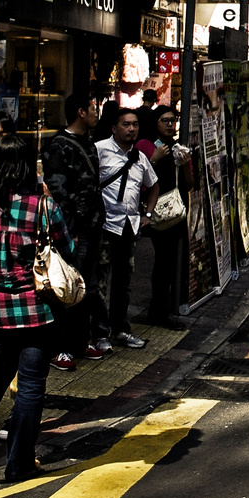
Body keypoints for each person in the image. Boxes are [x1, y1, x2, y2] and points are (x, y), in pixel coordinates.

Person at [0, 134, 73, 480]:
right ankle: (19, 462)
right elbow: (68, 248)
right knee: (32, 384)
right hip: (37, 309)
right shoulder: (42, 206)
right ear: (27, 165)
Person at [43, 92, 103, 371]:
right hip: (73, 230)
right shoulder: (58, 146)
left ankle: (81, 341)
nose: (96, 112)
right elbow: (58, 192)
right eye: (93, 108)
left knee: (88, 287)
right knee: (67, 287)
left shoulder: (89, 144)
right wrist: (69, 229)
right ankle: (60, 347)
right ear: (80, 111)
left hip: (93, 226)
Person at [94, 106, 158, 348]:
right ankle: (99, 333)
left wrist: (148, 213)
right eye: (126, 124)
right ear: (114, 128)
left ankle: (120, 329)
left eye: (135, 125)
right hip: (105, 226)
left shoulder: (140, 157)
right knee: (99, 283)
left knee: (123, 282)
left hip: (129, 228)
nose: (131, 129)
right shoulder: (99, 151)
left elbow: (153, 186)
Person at [138, 105, 189, 329]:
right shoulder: (145, 145)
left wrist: (186, 165)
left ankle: (161, 310)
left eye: (173, 120)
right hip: (153, 212)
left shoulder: (177, 148)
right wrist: (154, 159)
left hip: (175, 212)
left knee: (169, 262)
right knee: (162, 263)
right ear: (155, 123)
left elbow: (190, 185)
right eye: (164, 120)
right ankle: (159, 311)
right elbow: (137, 180)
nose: (170, 124)